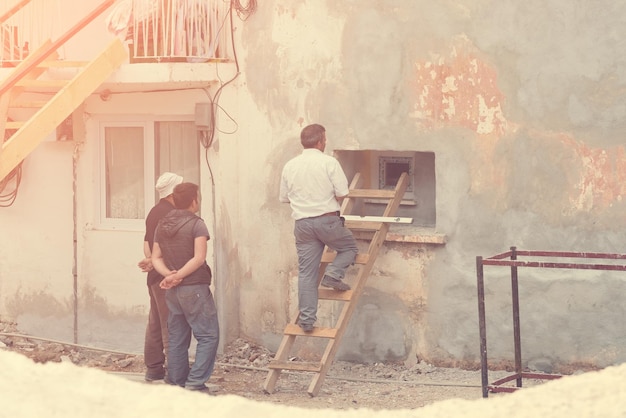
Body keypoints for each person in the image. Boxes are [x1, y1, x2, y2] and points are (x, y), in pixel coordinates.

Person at [279, 123, 358, 333]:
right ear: (320, 141)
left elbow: (284, 198)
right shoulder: (329, 162)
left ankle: (306, 320)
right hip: (327, 220)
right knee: (349, 248)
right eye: (325, 138)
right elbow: (343, 193)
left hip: (302, 224)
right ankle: (333, 273)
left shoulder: (290, 165)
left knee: (306, 273)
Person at [151, 182, 219, 392]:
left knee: (177, 336)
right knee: (208, 336)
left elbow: (155, 257)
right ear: (193, 201)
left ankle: (176, 380)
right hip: (194, 287)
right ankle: (195, 383)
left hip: (173, 291)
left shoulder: (161, 224)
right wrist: (178, 276)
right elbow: (199, 258)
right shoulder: (197, 224)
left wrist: (169, 275)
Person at [137, 172, 183, 382]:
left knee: (155, 322)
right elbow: (167, 245)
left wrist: (151, 260)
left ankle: (154, 368)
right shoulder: (170, 213)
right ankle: (174, 372)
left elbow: (148, 244)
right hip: (166, 275)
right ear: (174, 192)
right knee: (169, 323)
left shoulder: (154, 211)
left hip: (155, 275)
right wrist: (164, 266)